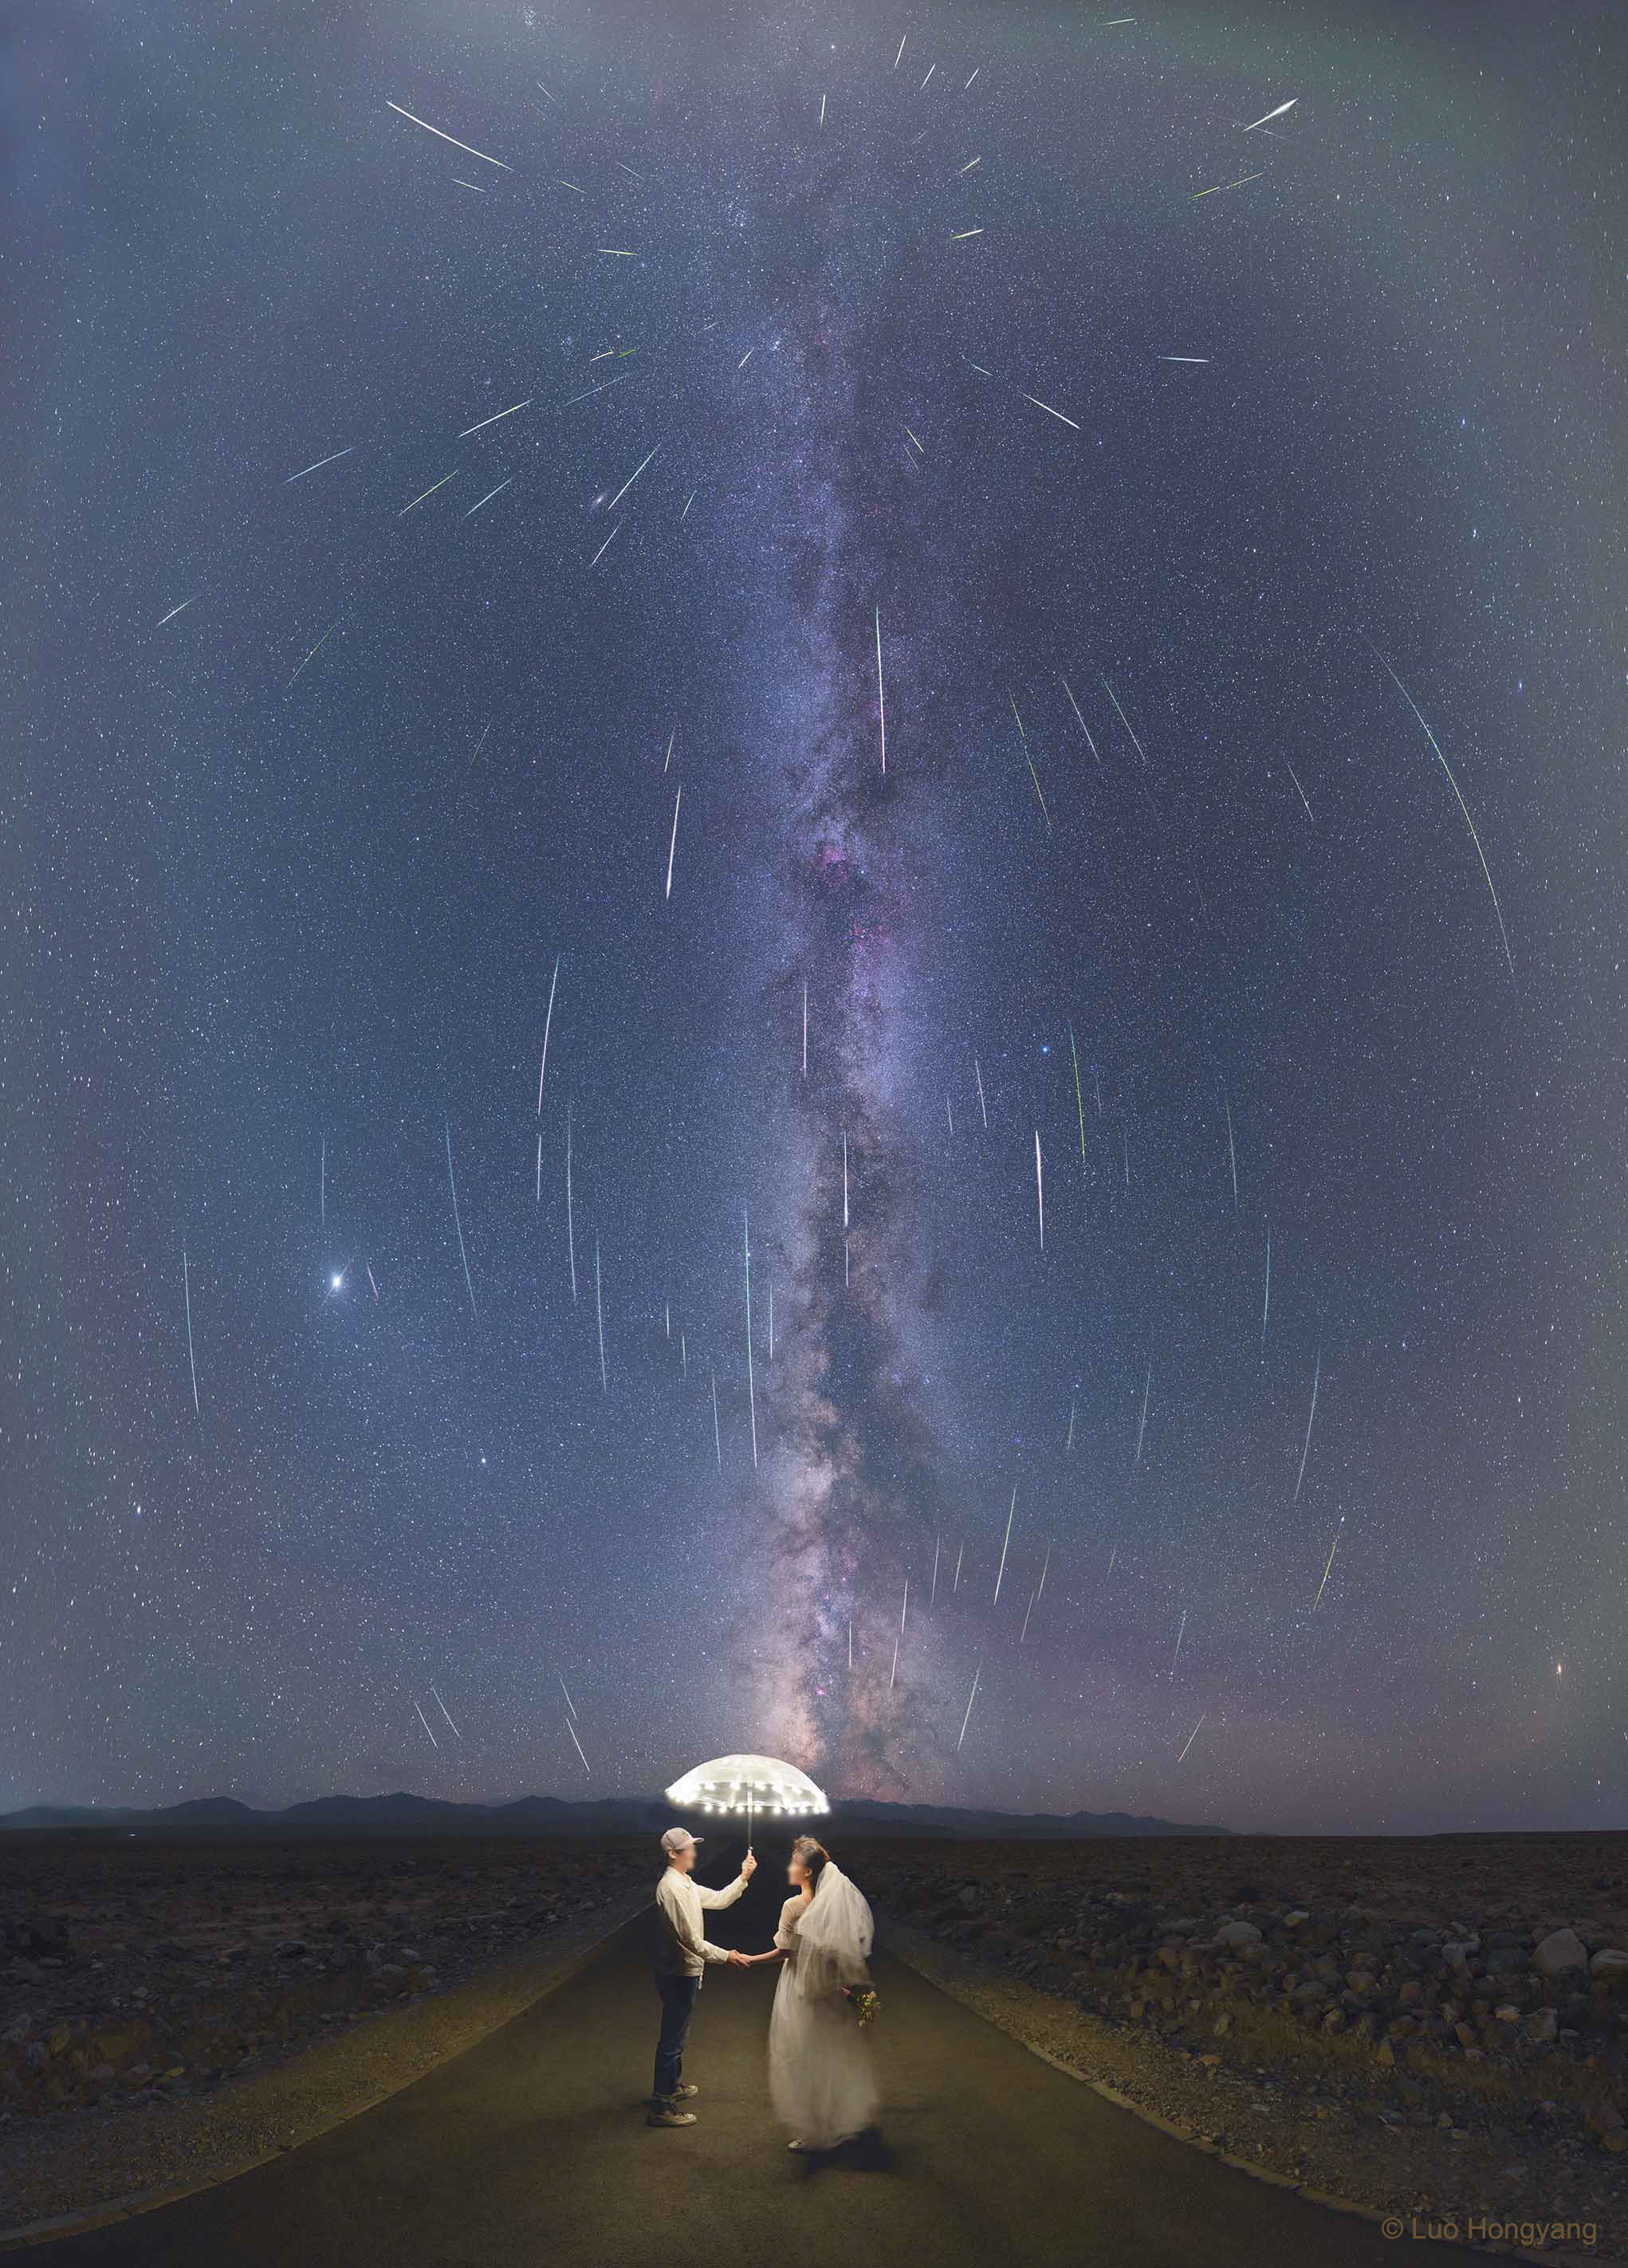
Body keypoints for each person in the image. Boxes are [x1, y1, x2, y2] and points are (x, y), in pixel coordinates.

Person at [737, 1834, 878, 2152]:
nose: (789, 1868)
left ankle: (813, 2130)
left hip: (799, 1987)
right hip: (827, 1989)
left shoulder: (793, 1906)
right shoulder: (833, 1907)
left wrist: (750, 1959)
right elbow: (838, 1954)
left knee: (800, 2056)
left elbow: (785, 1952)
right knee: (828, 2055)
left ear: (808, 1873)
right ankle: (833, 2122)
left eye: (794, 1863)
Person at [648, 1826, 756, 2128]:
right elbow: (690, 1941)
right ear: (673, 1854)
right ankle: (661, 2103)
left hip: (685, 1969)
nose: (695, 1851)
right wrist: (727, 1956)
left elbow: (721, 1899)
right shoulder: (670, 1890)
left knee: (678, 2034)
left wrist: (743, 1877)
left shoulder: (685, 1884)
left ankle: (671, 2086)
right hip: (678, 1971)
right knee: (673, 2037)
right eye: (689, 1848)